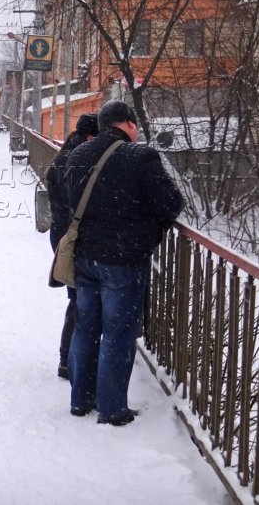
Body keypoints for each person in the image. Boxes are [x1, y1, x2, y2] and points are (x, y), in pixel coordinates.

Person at [65, 101, 183, 426]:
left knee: (86, 327)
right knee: (118, 333)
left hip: (85, 257)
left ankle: (80, 400)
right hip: (123, 260)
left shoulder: (78, 155)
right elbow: (171, 203)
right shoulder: (140, 156)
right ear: (128, 124)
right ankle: (113, 409)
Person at [45, 114, 99, 380]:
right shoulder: (77, 159)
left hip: (64, 235)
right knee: (79, 302)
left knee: (77, 300)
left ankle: (69, 360)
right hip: (73, 238)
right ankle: (68, 362)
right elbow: (75, 203)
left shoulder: (66, 154)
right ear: (92, 136)